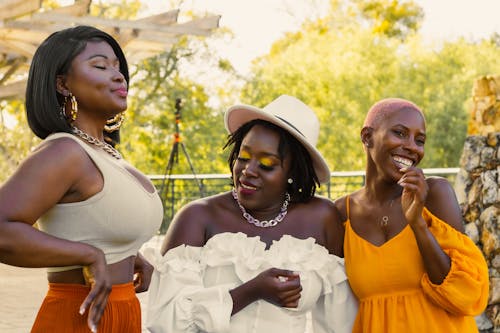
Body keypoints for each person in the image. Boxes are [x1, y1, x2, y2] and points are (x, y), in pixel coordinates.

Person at [144, 94, 358, 333]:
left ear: (293, 172)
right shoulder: (198, 217)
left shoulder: (321, 218)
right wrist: (249, 292)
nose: (248, 171)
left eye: (266, 164)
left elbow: (340, 320)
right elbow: (166, 321)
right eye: (243, 158)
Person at [0, 26, 163, 332]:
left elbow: (90, 224)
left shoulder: (106, 155)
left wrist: (128, 255)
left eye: (118, 67)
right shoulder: (64, 152)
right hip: (79, 316)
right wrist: (88, 256)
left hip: (123, 311)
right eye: (101, 66)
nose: (118, 76)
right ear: (63, 84)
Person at [335, 98, 489, 332]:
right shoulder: (342, 213)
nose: (412, 147)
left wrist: (417, 223)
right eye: (400, 133)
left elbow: (466, 294)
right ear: (367, 137)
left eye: (420, 140)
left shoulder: (435, 194)